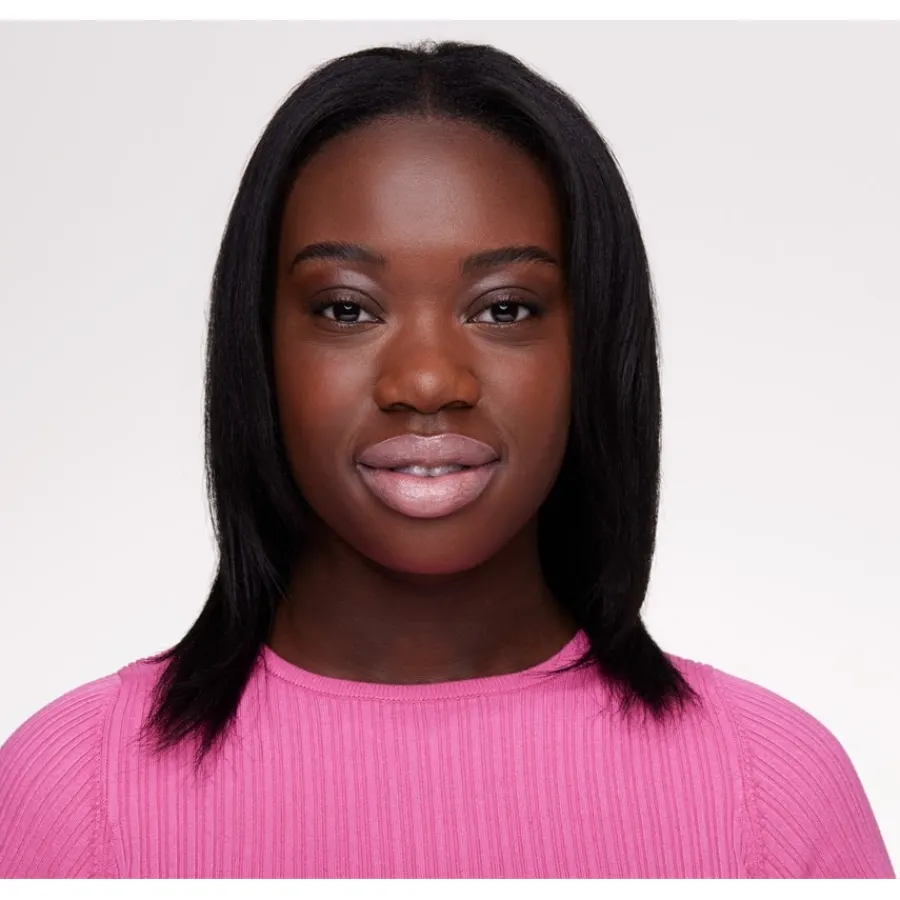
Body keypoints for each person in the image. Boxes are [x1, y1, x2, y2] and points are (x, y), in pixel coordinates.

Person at [0, 39, 894, 880]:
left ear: (593, 348)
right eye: (346, 308)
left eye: (505, 309)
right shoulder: (73, 794)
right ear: (258, 350)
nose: (427, 380)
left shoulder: (770, 795)